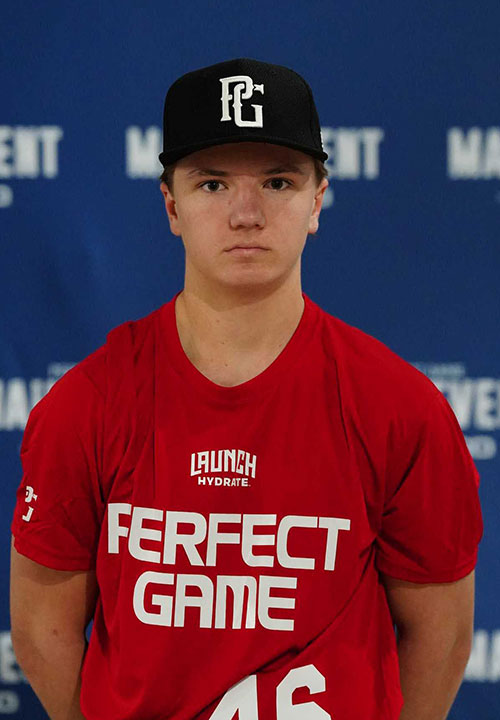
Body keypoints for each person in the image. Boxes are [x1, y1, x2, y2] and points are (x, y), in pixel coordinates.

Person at [10, 57, 483, 720]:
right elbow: (42, 626)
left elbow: (442, 634)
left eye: (278, 181)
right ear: (171, 205)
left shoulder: (400, 409)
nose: (246, 213)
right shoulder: (87, 405)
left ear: (317, 200)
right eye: (212, 184)